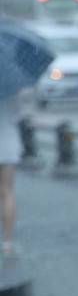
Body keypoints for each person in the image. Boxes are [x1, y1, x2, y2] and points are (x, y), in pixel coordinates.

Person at [0, 92, 20, 257]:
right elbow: (16, 116)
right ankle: (7, 243)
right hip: (7, 143)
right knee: (7, 192)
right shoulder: (11, 88)